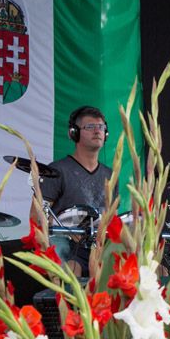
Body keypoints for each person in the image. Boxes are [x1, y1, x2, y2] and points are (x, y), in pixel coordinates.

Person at [37, 105, 113, 276]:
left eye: (101, 127)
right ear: (74, 133)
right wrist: (69, 230)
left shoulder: (110, 175)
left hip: (98, 244)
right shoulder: (57, 170)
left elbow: (111, 217)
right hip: (66, 242)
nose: (97, 131)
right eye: (90, 126)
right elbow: (37, 216)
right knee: (71, 267)